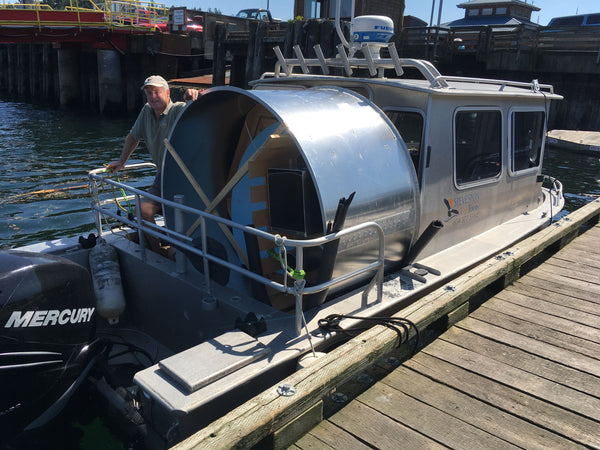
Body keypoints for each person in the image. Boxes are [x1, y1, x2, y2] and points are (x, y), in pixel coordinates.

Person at [107, 75, 201, 251]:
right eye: (149, 93)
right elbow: (133, 136)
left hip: (185, 178)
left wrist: (194, 95)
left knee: (186, 217)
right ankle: (158, 253)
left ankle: (186, 251)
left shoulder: (178, 110)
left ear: (167, 93)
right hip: (163, 175)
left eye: (156, 92)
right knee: (142, 211)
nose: (152, 97)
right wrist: (121, 161)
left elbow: (196, 108)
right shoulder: (146, 111)